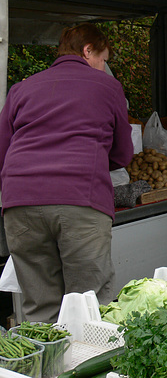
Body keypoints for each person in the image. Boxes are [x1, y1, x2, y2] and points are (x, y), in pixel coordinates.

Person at [0, 23, 133, 322]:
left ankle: (43, 364)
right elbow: (123, 153)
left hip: (20, 205)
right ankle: (86, 366)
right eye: (103, 59)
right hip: (79, 201)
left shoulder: (21, 88)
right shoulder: (107, 86)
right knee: (87, 305)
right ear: (88, 51)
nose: (104, 66)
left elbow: (2, 151)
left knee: (38, 306)